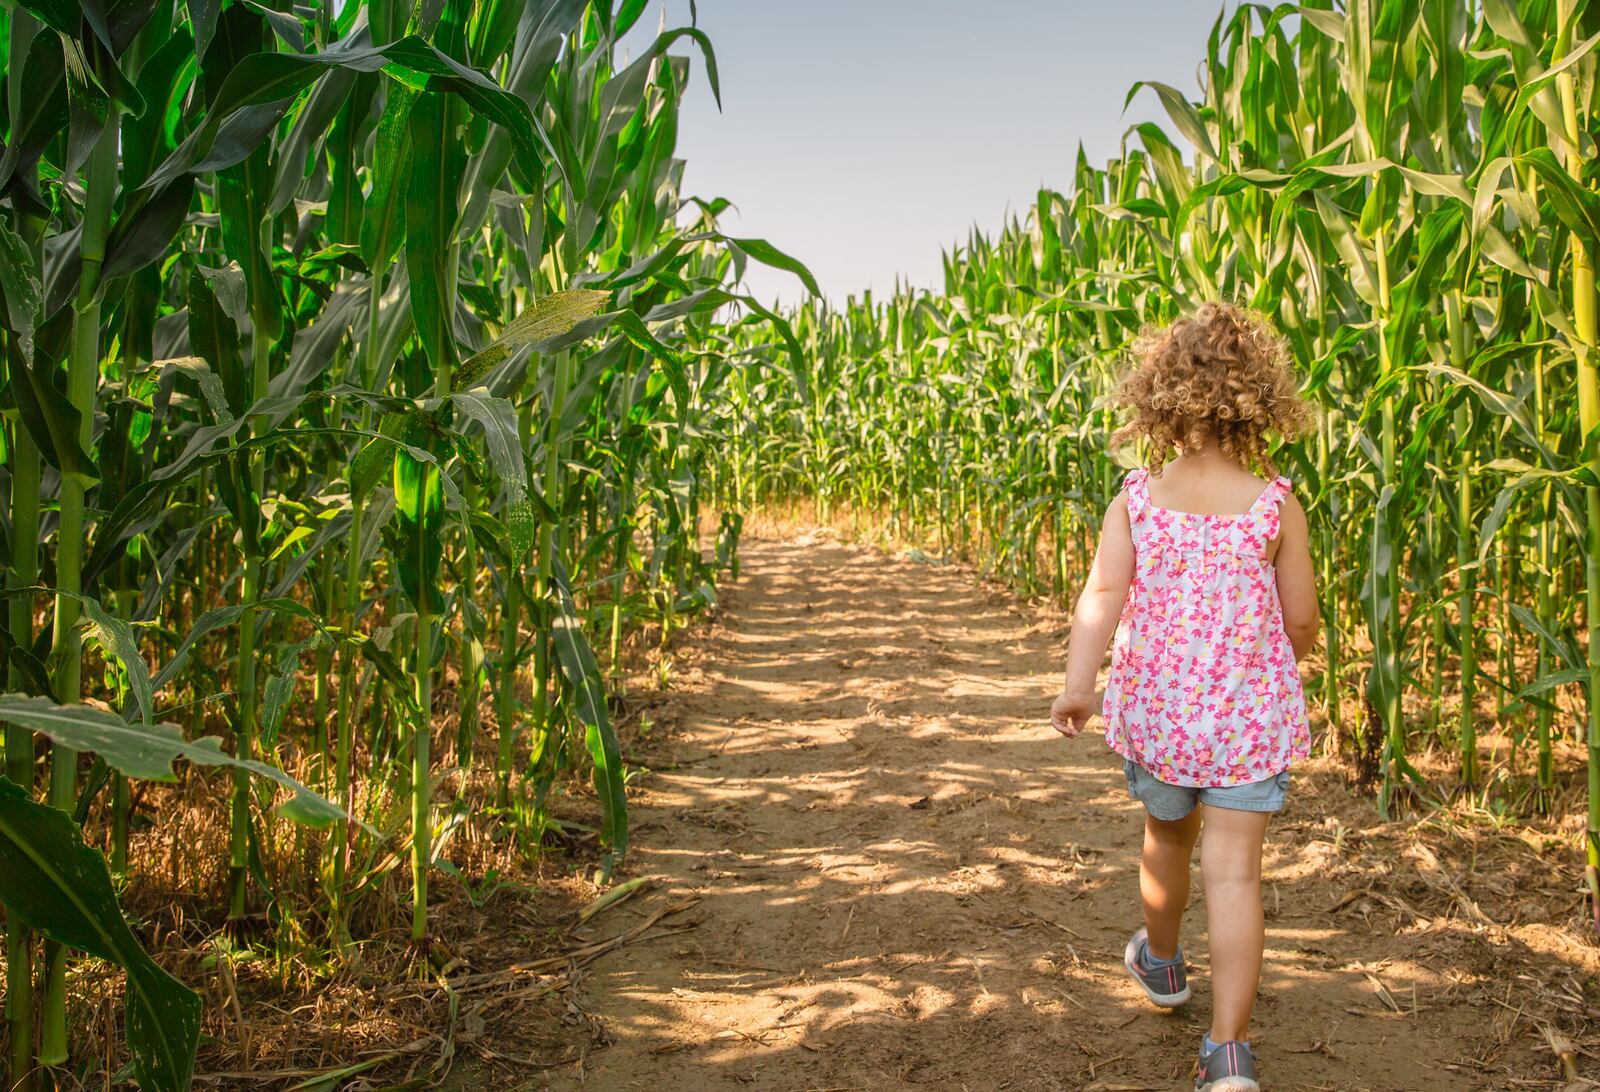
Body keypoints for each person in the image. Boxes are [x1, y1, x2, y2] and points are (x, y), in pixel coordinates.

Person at [1049, 302, 1319, 1092]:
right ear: (1259, 400)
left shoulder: (1137, 500)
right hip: (1246, 721)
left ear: (1158, 399)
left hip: (1162, 719)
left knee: (1166, 841)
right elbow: (1300, 617)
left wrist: (1078, 686)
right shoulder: (1276, 505)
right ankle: (1229, 1053)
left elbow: (1101, 596)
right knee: (1235, 876)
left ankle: (1162, 964)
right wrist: (1271, 660)